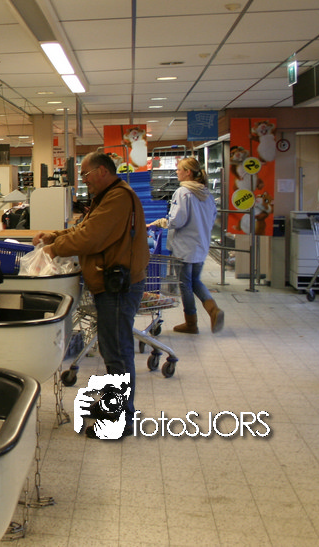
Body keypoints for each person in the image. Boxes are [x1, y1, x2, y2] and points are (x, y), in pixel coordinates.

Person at [33, 151, 149, 439]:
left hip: (118, 286)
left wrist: (54, 249)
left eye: (85, 174)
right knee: (112, 349)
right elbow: (85, 228)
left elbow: (90, 238)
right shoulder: (107, 197)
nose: (84, 180)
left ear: (102, 171)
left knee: (118, 351)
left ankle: (119, 419)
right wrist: (55, 236)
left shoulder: (118, 198)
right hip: (110, 283)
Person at [147, 157, 224, 334]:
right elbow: (212, 217)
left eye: (179, 169)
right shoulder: (206, 193)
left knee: (185, 284)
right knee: (195, 280)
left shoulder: (183, 192)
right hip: (201, 245)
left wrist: (159, 222)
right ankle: (213, 309)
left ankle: (191, 322)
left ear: (188, 172)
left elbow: (177, 220)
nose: (177, 172)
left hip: (184, 247)